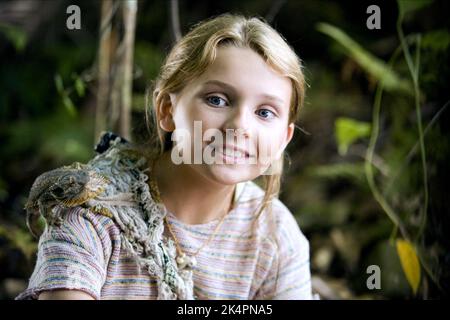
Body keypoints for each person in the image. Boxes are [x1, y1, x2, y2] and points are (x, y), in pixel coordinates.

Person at [16, 13, 312, 300]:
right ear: (167, 111)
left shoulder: (276, 237)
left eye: (264, 112)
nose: (239, 126)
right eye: (217, 100)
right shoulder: (94, 210)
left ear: (283, 139)